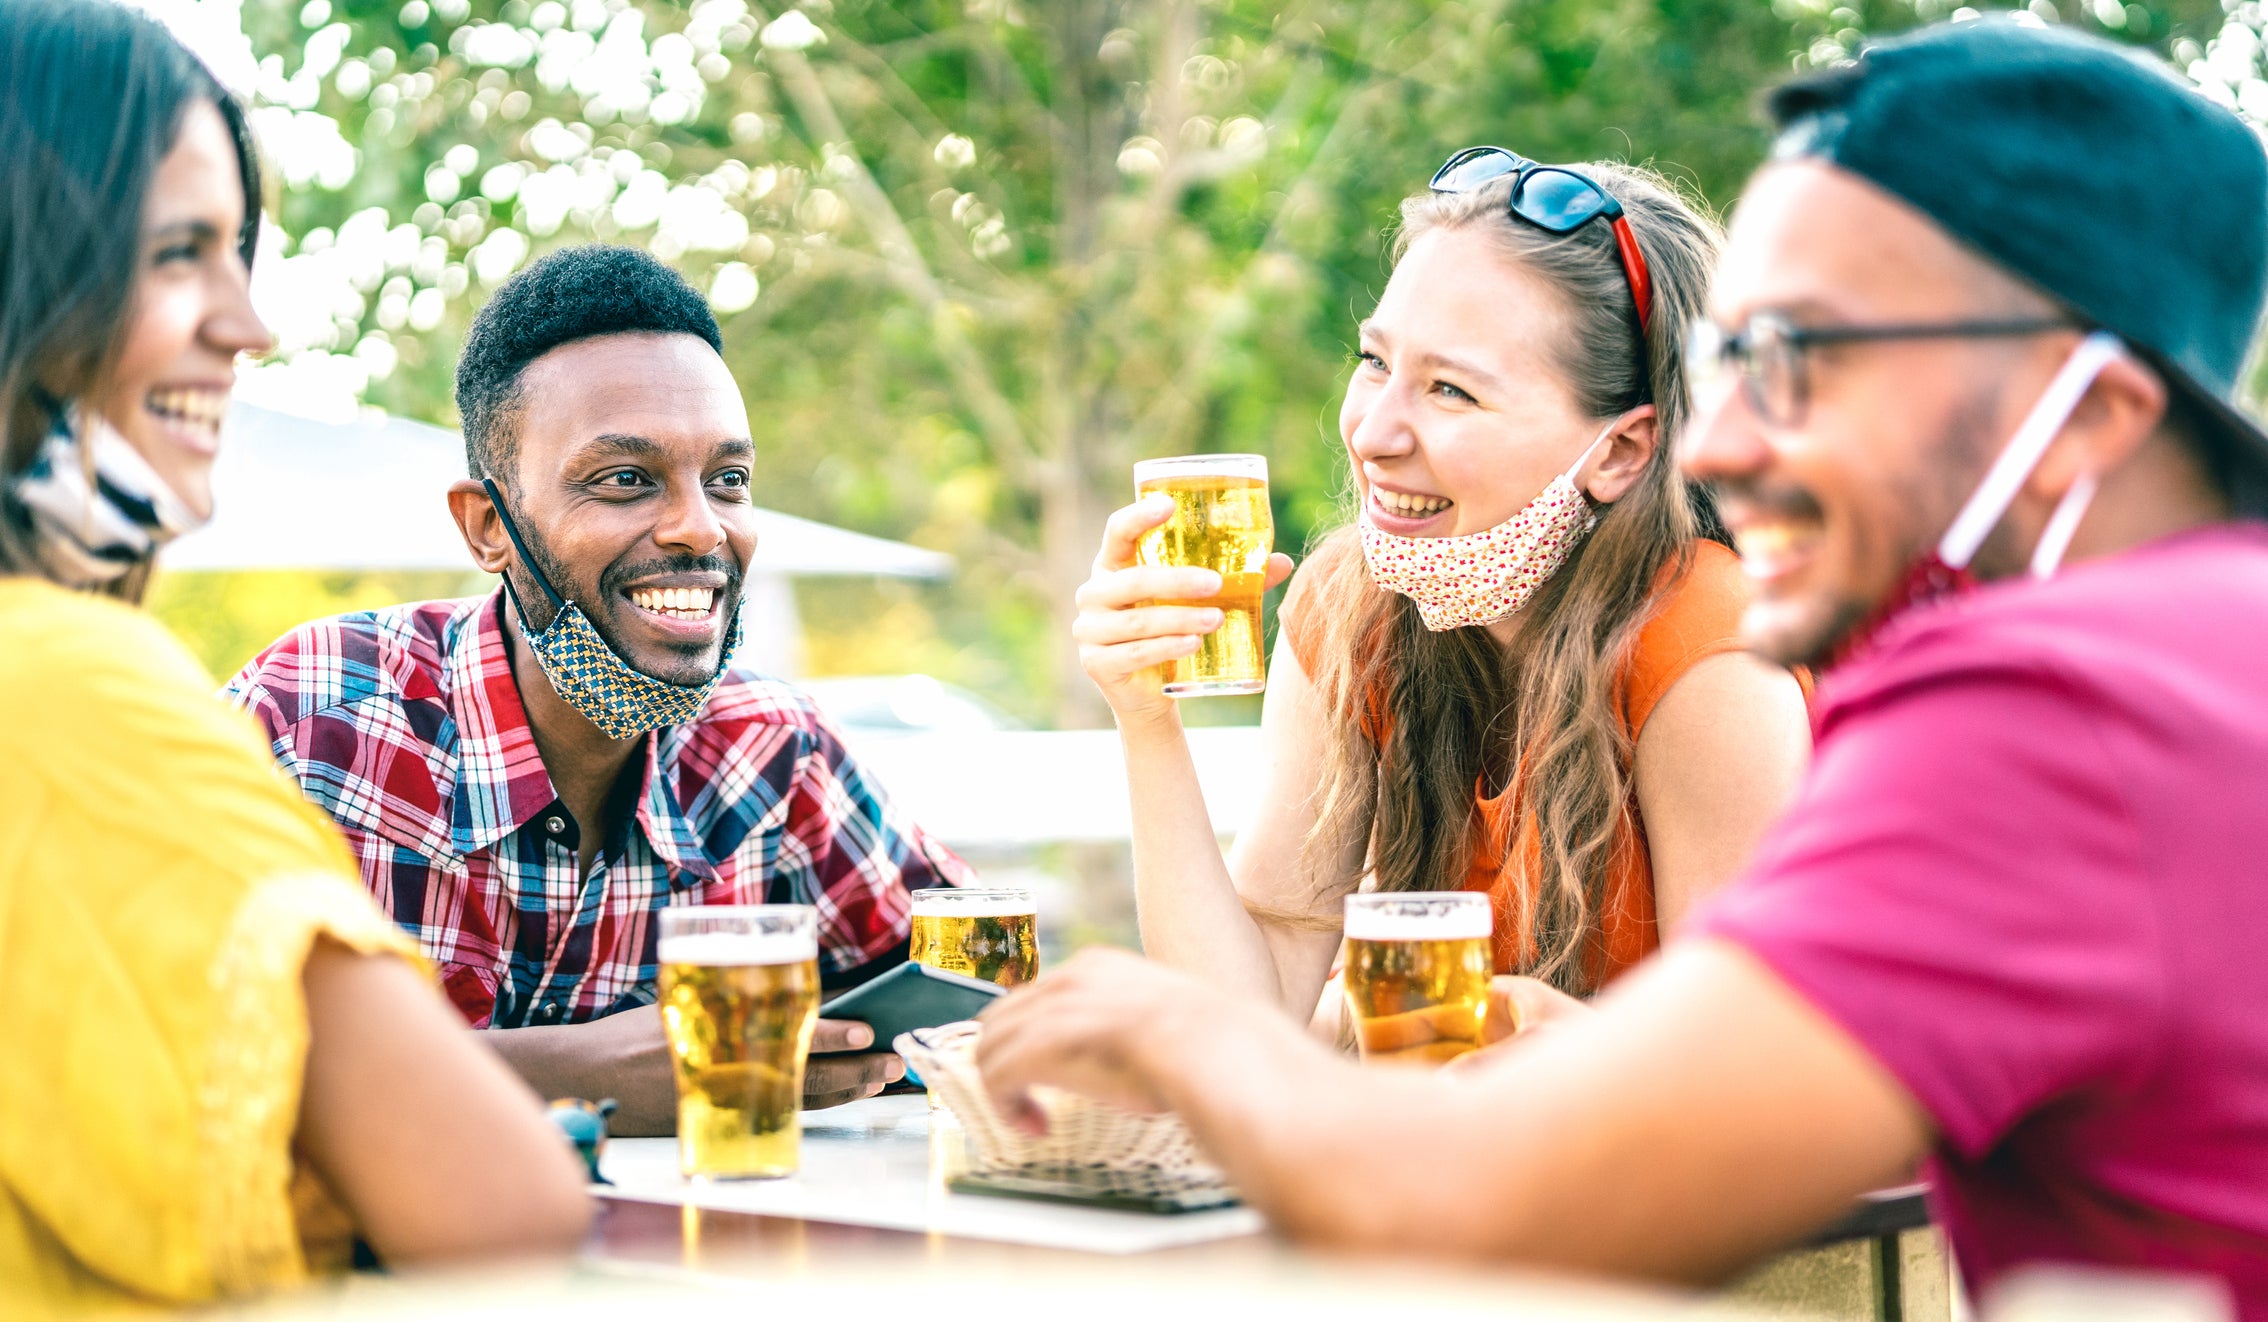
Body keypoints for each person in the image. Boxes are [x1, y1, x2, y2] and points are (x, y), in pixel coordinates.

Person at [978, 19, 2268, 1312]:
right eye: (1733, 361)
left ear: (2085, 417)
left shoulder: (2044, 710)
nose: (1724, 444)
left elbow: (1503, 1196)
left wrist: (1174, 1031)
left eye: (1810, 360)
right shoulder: (2189, 650)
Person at [0, 1, 590, 1311]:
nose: (248, 322)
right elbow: (505, 1205)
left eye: (239, 254)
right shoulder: (73, 689)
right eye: (174, 255)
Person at [225, 244, 972, 1135]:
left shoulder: (773, 746)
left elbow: (974, 991)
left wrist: (864, 1048)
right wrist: (583, 1076)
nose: (701, 529)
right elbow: (166, 1052)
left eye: (728, 480)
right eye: (626, 480)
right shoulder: (315, 719)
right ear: (489, 526)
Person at [1073, 152, 1809, 1036]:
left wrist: (1536, 1039)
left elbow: (1740, 1065)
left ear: (1620, 452)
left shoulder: (1709, 646)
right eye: (1375, 362)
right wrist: (1145, 716)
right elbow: (1243, 1019)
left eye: (1450, 389)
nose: (1374, 434)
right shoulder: (1352, 607)